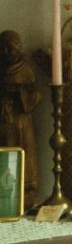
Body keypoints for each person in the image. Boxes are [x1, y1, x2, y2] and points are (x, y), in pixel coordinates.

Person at [0, 30, 42, 210]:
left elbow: (36, 94)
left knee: (26, 154)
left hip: (22, 123)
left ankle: (26, 195)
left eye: (11, 47)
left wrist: (19, 93)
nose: (7, 52)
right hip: (4, 120)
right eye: (3, 48)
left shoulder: (25, 69)